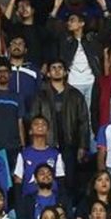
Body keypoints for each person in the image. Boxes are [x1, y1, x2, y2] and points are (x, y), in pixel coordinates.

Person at [29, 60, 91, 197]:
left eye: (60, 68)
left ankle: (67, 207)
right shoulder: (41, 94)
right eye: (53, 68)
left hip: (70, 143)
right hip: (47, 143)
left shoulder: (75, 94)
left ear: (65, 72)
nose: (57, 70)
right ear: (48, 73)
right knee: (47, 179)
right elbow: (34, 119)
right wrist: (35, 143)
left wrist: (83, 146)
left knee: (69, 181)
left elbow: (83, 122)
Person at [13, 116, 66, 198]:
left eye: (43, 124)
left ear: (48, 131)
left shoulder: (55, 154)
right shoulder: (24, 154)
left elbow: (60, 178)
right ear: (30, 131)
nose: (40, 126)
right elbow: (18, 179)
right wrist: (19, 201)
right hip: (29, 198)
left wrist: (61, 199)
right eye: (36, 124)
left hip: (51, 199)